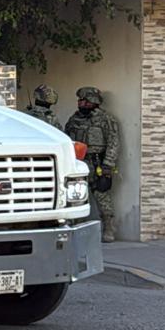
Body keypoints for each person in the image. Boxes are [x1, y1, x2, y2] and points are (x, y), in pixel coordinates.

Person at [65, 86, 120, 242]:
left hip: (98, 162)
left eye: (84, 101)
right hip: (79, 162)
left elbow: (113, 142)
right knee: (75, 196)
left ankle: (109, 227)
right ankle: (76, 229)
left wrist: (108, 166)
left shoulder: (105, 119)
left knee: (102, 195)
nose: (80, 104)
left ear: (92, 102)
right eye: (80, 101)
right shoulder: (74, 119)